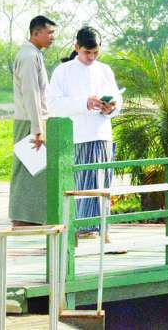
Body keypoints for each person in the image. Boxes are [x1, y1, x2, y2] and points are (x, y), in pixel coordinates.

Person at [48, 27, 122, 239]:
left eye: (95, 52)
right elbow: (54, 105)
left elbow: (117, 99)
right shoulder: (63, 71)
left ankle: (103, 228)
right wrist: (84, 103)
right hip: (78, 135)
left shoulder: (105, 70)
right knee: (83, 182)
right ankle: (83, 228)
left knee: (103, 183)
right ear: (76, 47)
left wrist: (111, 108)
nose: (91, 57)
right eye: (86, 52)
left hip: (102, 134)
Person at [9, 15, 56, 226]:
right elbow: (31, 94)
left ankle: (31, 218)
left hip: (35, 121)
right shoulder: (28, 56)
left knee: (37, 173)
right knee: (27, 169)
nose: (52, 37)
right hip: (30, 121)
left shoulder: (34, 53)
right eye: (49, 32)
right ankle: (21, 219)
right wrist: (38, 130)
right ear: (36, 33)